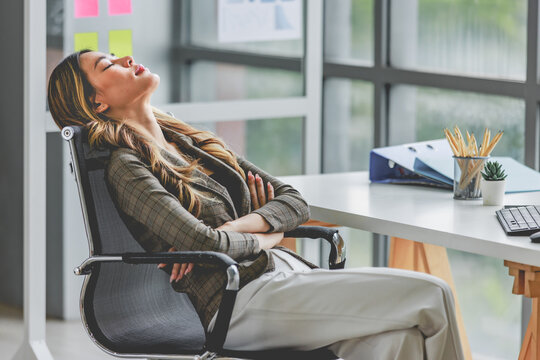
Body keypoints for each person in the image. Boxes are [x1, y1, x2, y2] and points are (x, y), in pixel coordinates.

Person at [47, 50, 465, 360]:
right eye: (108, 66)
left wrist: (243, 227)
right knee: (433, 294)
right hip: (240, 300)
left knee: (400, 343)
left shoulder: (189, 141)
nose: (125, 57)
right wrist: (270, 236)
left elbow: (293, 200)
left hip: (283, 279)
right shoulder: (127, 167)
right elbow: (199, 239)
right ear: (97, 103)